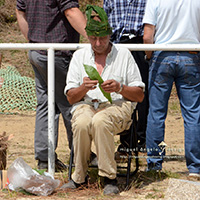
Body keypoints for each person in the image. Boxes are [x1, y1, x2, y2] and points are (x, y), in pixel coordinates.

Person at [61, 5, 145, 195]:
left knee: (100, 120)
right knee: (82, 122)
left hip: (117, 104)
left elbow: (139, 95)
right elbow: (70, 97)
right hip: (86, 104)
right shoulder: (79, 56)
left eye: (102, 38)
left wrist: (120, 88)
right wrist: (83, 87)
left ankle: (109, 177)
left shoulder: (124, 55)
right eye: (93, 38)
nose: (98, 43)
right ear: (87, 36)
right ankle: (79, 177)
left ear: (110, 35)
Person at [16, 0, 87, 171]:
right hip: (56, 53)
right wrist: (94, 36)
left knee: (46, 104)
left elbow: (20, 11)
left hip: (37, 51)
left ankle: (44, 158)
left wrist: (33, 42)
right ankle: (81, 155)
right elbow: (70, 11)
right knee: (71, 102)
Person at [143, 0, 200, 176]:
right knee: (192, 114)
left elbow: (147, 36)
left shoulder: (155, 1)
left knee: (156, 113)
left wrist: (150, 56)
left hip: (162, 54)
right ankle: (195, 167)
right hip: (191, 54)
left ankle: (154, 163)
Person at [103, 0, 149, 152]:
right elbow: (106, 16)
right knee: (122, 93)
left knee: (141, 93)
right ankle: (127, 142)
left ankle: (143, 139)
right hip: (117, 44)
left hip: (140, 43)